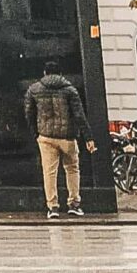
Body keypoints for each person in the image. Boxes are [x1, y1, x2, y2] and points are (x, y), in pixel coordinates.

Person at [25, 58, 94, 218]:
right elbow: (79, 115)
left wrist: (36, 133)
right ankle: (74, 204)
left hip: (46, 137)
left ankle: (53, 207)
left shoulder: (34, 89)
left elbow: (29, 113)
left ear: (44, 73)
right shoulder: (69, 90)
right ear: (60, 73)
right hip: (68, 137)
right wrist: (88, 137)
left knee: (49, 172)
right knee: (72, 169)